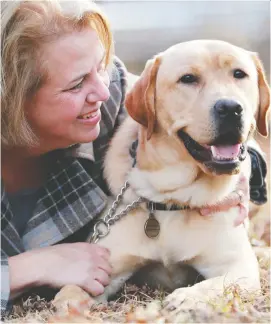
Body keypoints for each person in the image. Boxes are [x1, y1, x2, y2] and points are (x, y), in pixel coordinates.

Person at [1, 0, 267, 318]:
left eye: (100, 66)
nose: (103, 91)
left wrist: (244, 166)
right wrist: (29, 268)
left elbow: (198, 114)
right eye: (75, 84)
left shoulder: (114, 94)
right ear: (11, 99)